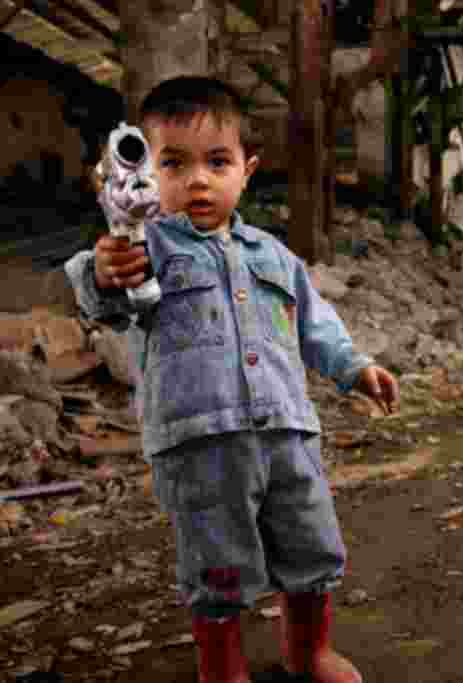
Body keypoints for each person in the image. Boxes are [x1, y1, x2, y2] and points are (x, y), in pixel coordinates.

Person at [64, 76, 399, 683]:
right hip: (200, 443)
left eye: (217, 161)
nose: (197, 179)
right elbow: (105, 295)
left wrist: (355, 368)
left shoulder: (273, 253)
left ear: (248, 168)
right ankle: (221, 670)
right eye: (173, 162)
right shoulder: (144, 246)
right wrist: (105, 269)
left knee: (311, 546)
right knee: (217, 567)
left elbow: (314, 324)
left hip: (287, 435)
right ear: (145, 172)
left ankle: (307, 651)